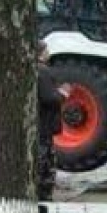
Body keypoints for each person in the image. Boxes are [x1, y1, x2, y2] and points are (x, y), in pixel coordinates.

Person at [37, 40, 70, 201]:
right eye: (46, 50)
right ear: (41, 52)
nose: (49, 52)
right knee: (44, 160)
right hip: (44, 124)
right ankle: (43, 193)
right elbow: (49, 98)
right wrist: (63, 93)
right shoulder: (43, 72)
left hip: (40, 123)